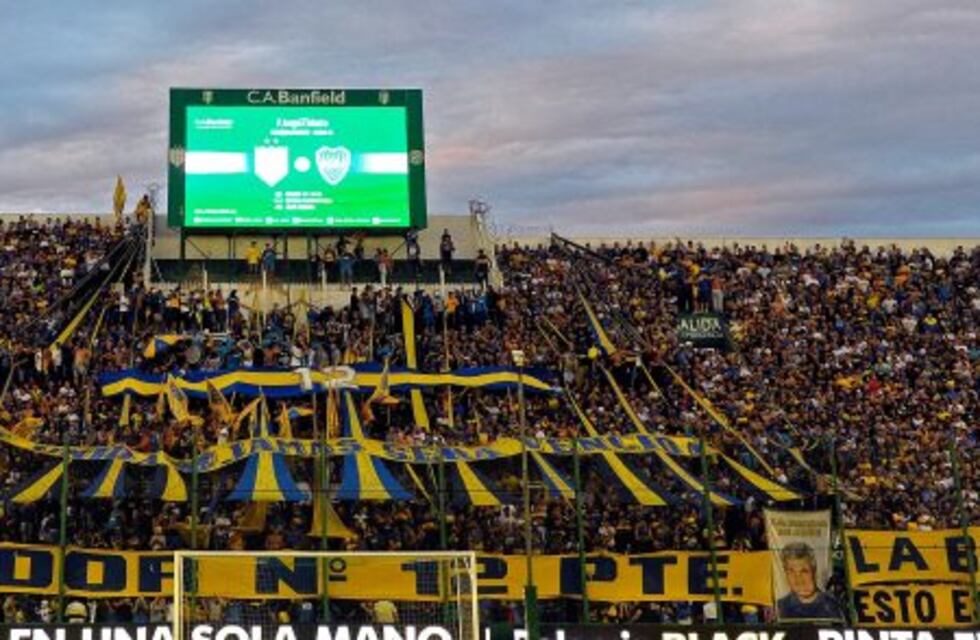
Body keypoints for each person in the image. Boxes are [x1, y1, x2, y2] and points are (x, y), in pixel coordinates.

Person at [776, 542, 842, 620]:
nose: (798, 579)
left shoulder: (833, 606)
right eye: (791, 572)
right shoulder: (780, 607)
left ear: (814, 571)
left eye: (804, 571)